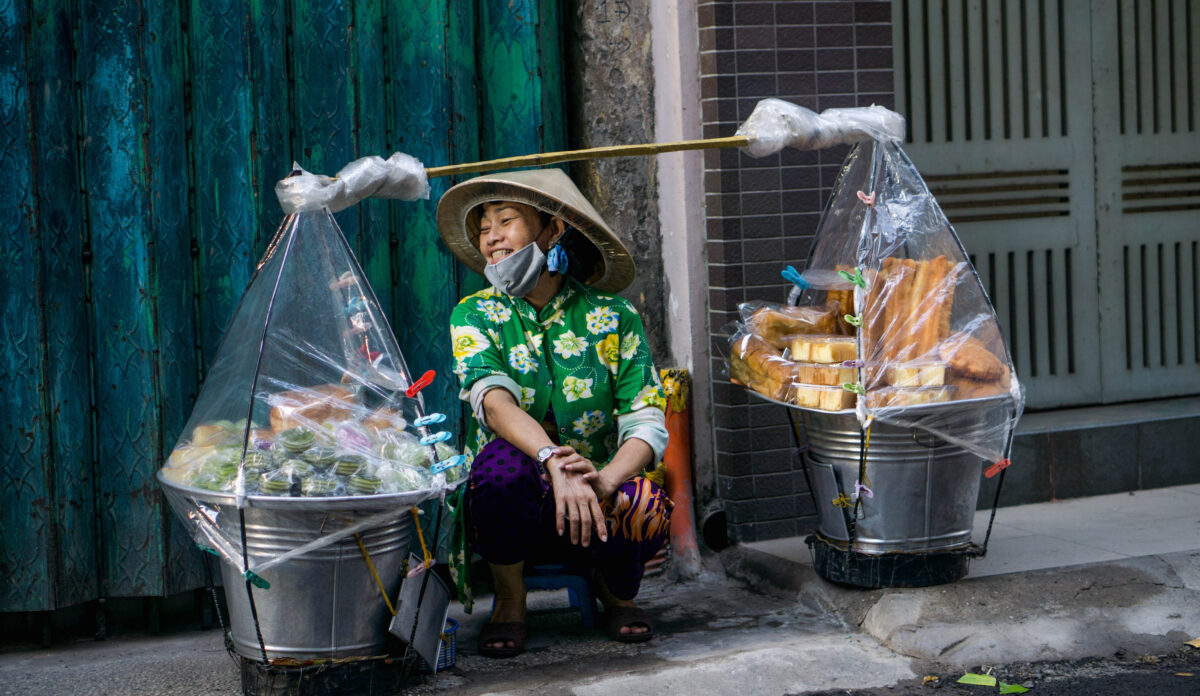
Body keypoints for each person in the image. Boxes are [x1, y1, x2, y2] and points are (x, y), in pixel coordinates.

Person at [436, 168, 672, 658]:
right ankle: (509, 599)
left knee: (645, 499)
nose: (492, 237)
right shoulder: (475, 315)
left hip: (596, 499)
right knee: (501, 466)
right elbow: (494, 404)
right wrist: (551, 462)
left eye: (506, 220)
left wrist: (603, 481)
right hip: (517, 499)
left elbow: (646, 420)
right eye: (483, 227)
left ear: (553, 229)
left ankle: (617, 591)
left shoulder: (615, 317)